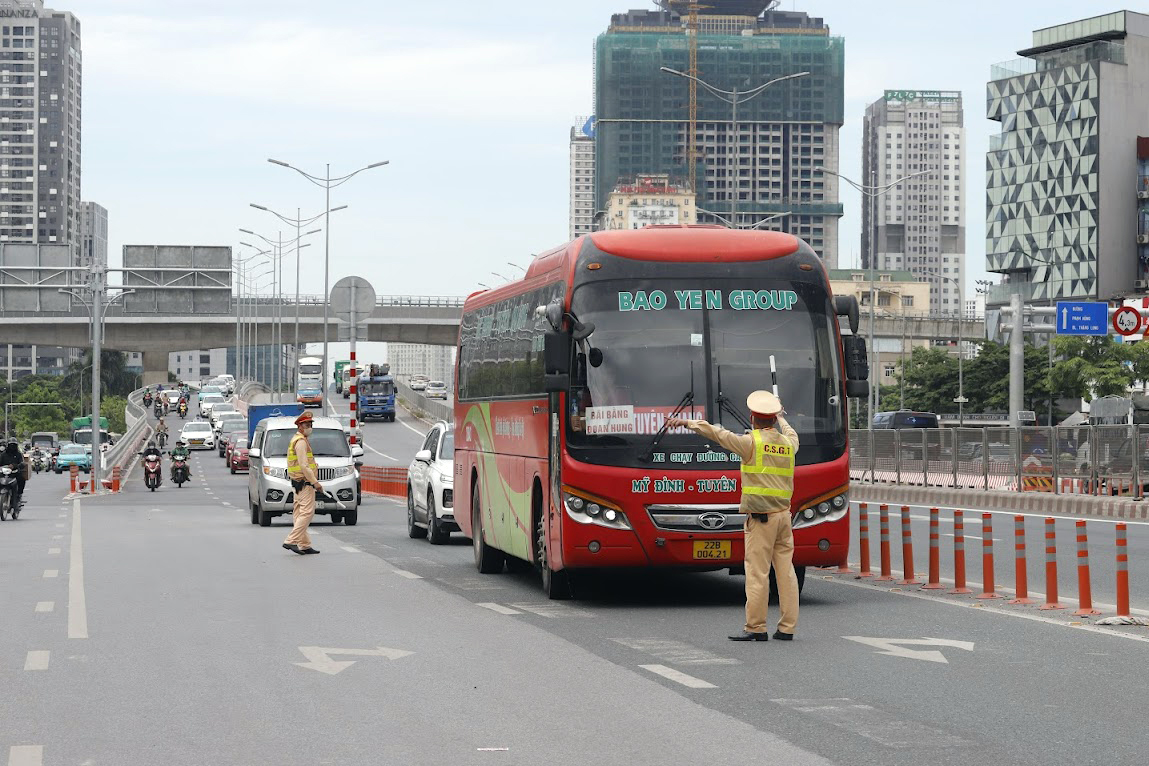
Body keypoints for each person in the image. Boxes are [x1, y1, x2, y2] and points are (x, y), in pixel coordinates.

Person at [669, 390, 799, 642]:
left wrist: (687, 423)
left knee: (757, 574)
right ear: (773, 418)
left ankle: (756, 627)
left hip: (761, 519)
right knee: (786, 573)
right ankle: (787, 628)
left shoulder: (751, 442)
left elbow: (717, 434)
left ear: (752, 418)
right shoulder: (788, 444)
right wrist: (782, 417)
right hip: (784, 517)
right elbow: (792, 434)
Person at [283, 411, 323, 555]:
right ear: (300, 426)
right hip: (305, 482)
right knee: (307, 512)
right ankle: (291, 540)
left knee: (299, 513)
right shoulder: (300, 442)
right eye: (307, 424)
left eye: (311, 424)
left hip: (298, 482)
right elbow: (304, 465)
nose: (309, 427)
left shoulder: (297, 439)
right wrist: (315, 482)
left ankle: (304, 544)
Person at [0, 440, 28, 507]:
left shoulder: (18, 454)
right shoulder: (3, 455)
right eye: (11, 445)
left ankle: (18, 495)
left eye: (14, 445)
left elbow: (22, 463)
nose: (12, 447)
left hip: (14, 473)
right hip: (4, 473)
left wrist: (15, 466)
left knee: (21, 479)